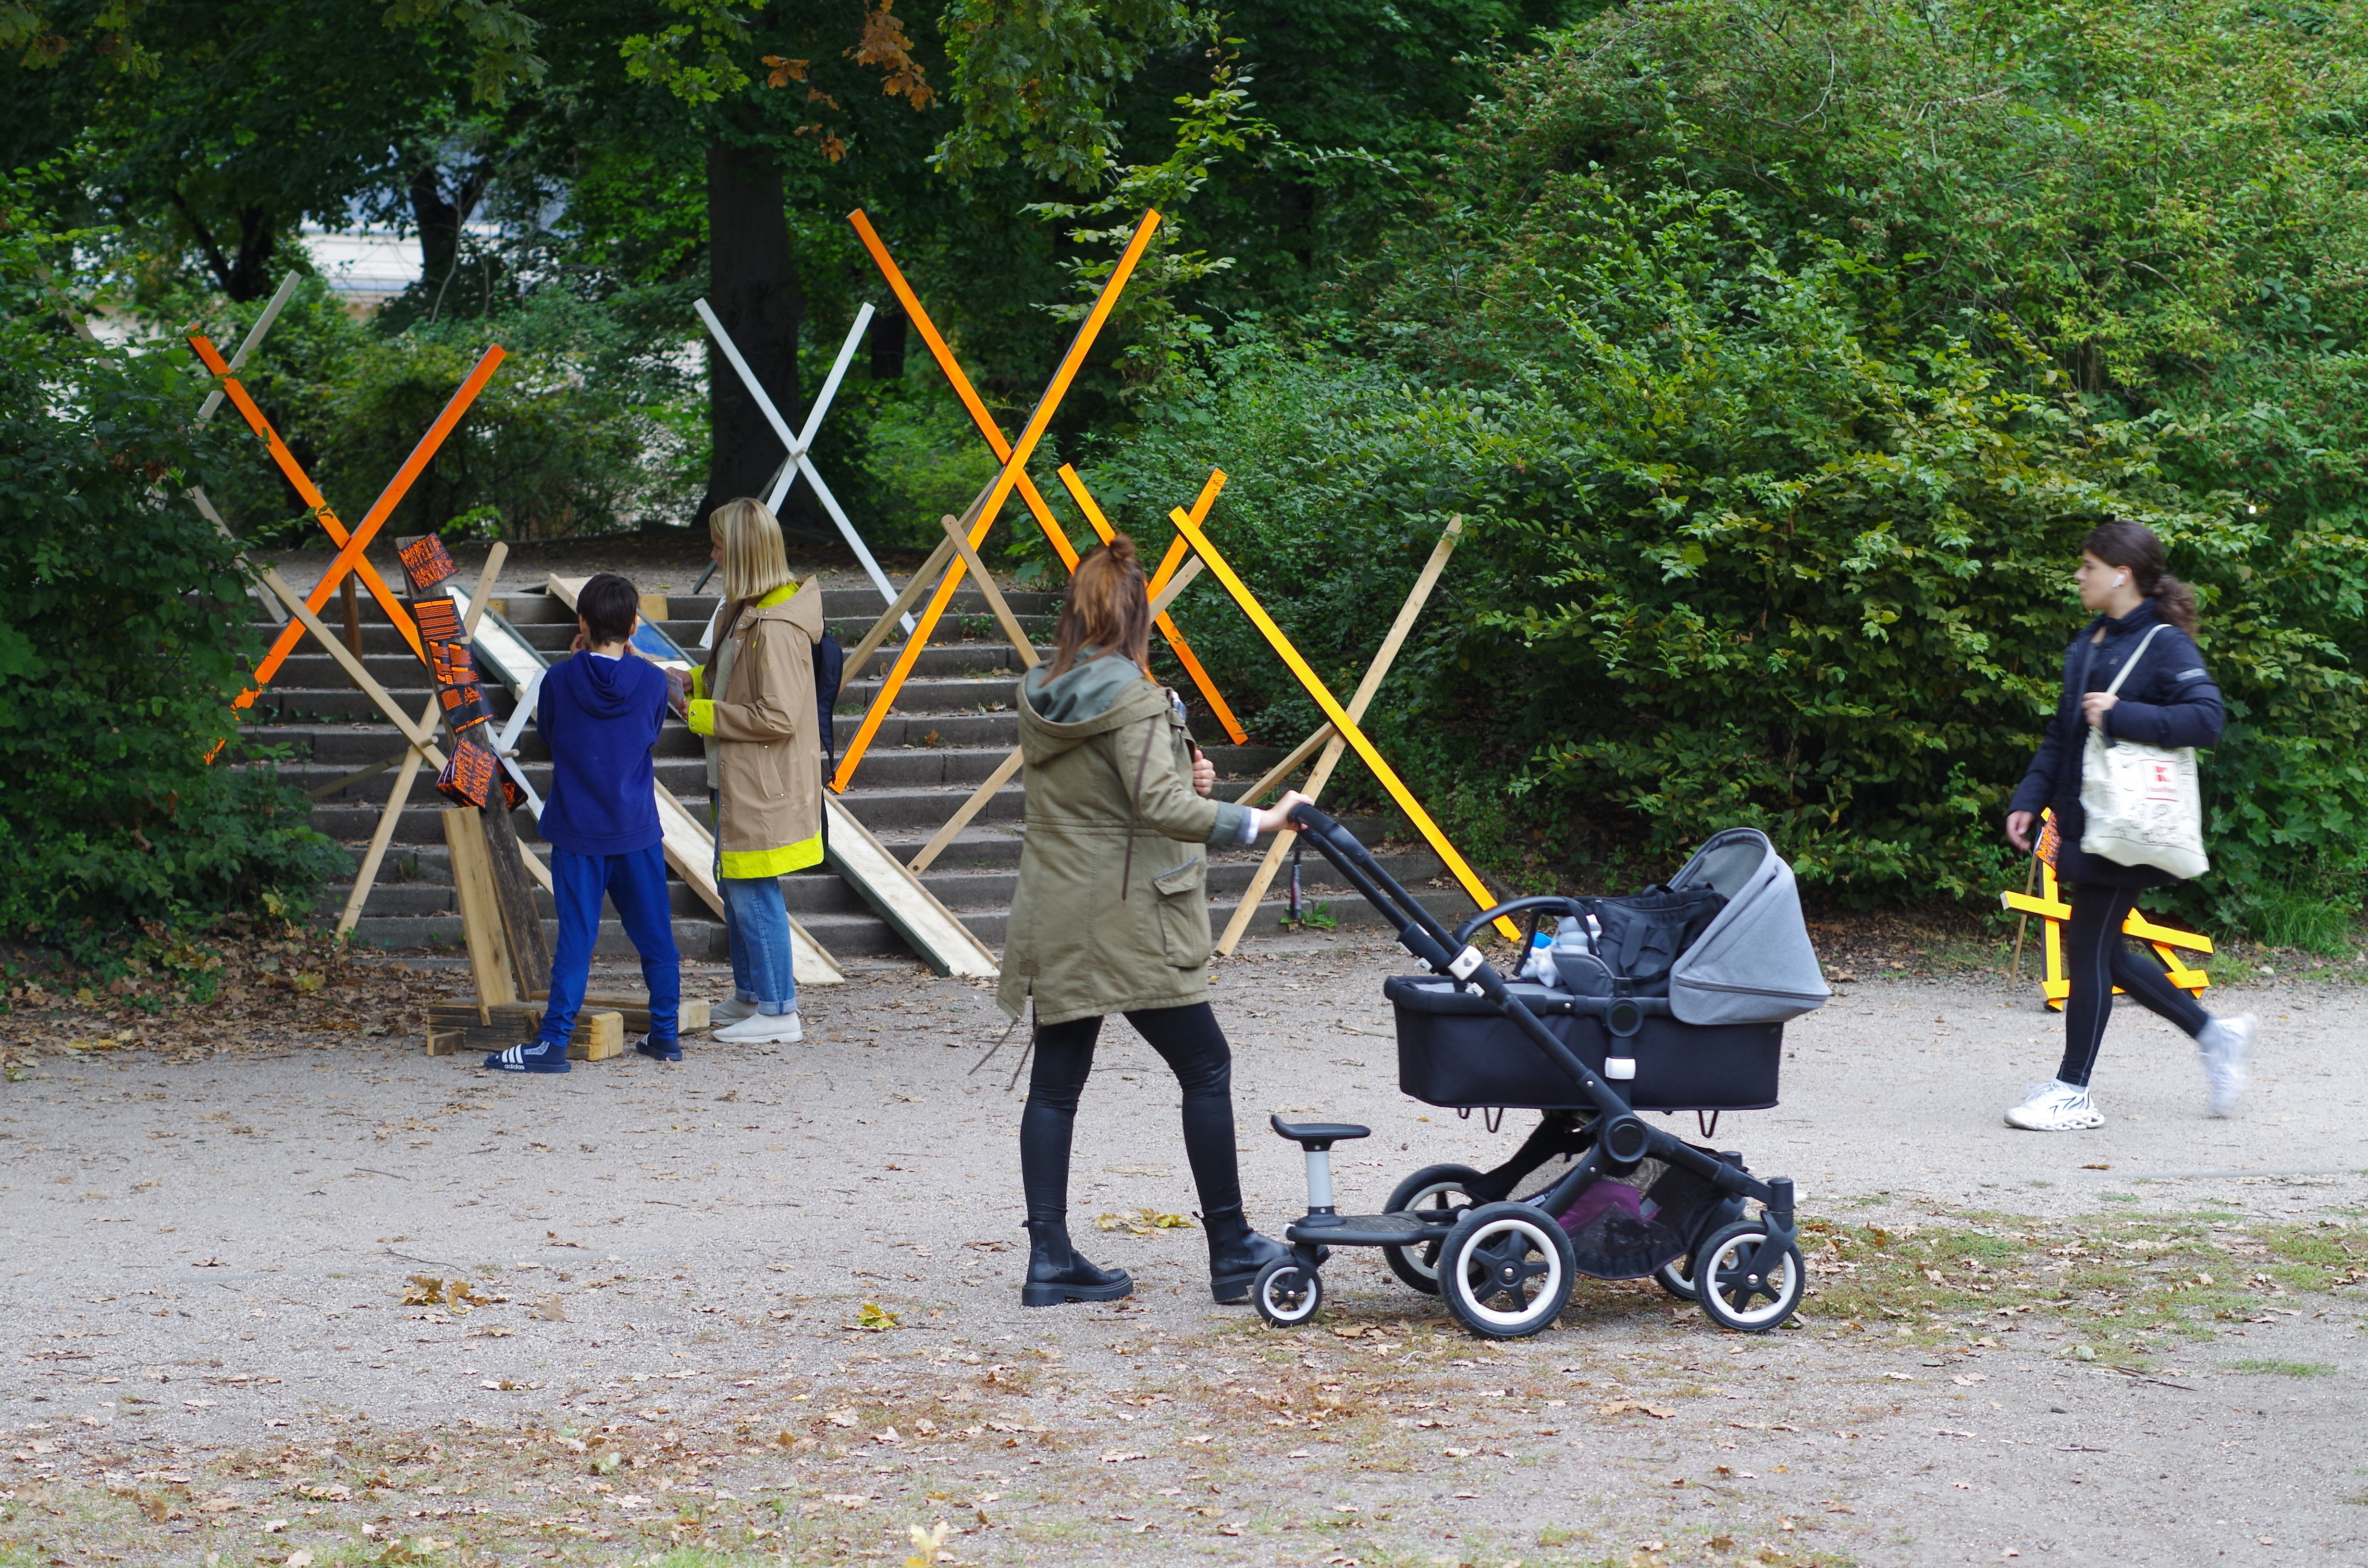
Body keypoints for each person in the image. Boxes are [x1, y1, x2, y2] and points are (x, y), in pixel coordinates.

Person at [997, 535, 1314, 1307]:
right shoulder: (1133, 694)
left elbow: (1113, 789)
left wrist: (1186, 768)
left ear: (1076, 610)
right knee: (1205, 1067)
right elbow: (1160, 807)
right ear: (1137, 615)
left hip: (1058, 907)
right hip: (1132, 915)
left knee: (1055, 1088)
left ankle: (1050, 1262)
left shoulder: (1044, 688)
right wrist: (1263, 820)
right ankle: (1233, 1250)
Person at [2002, 521, 2254, 1130]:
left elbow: (2207, 719)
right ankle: (2212, 1034)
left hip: (2131, 821)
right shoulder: (2086, 644)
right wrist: (2029, 799)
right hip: (2084, 819)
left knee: (2087, 946)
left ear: (2122, 573)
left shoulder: (2165, 644)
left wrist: (2123, 714)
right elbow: (2061, 736)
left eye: (2088, 566)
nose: (2078, 576)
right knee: (2105, 951)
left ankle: (2071, 1090)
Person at [487, 573, 680, 1073]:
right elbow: (651, 731)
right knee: (656, 936)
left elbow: (549, 734)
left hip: (577, 828)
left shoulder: (559, 679)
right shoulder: (653, 680)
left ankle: (553, 1043)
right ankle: (665, 1035)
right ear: (634, 625)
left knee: (576, 938)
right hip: (636, 827)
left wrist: (579, 660)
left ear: (582, 623)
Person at [685, 498, 825, 1048]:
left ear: (742, 554)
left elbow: (778, 715)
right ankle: (751, 995)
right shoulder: (749, 610)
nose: (711, 554)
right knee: (735, 883)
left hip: (760, 783)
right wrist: (690, 684)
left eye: (718, 546)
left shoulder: (777, 624)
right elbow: (738, 688)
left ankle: (778, 1009)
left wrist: (699, 713)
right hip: (740, 776)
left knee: (752, 890)